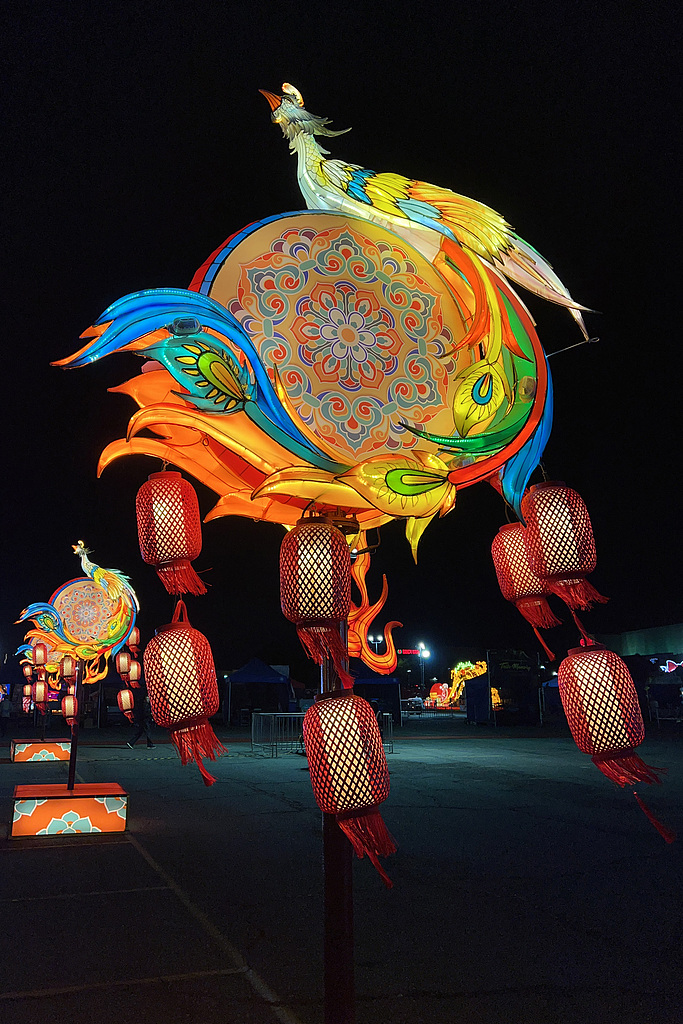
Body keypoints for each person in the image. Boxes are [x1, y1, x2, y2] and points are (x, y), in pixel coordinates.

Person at [126, 683, 155, 748]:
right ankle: (149, 744)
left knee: (140, 732)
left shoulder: (144, 704)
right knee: (147, 732)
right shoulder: (145, 704)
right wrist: (150, 715)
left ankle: (131, 743)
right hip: (145, 719)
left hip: (144, 719)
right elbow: (145, 712)